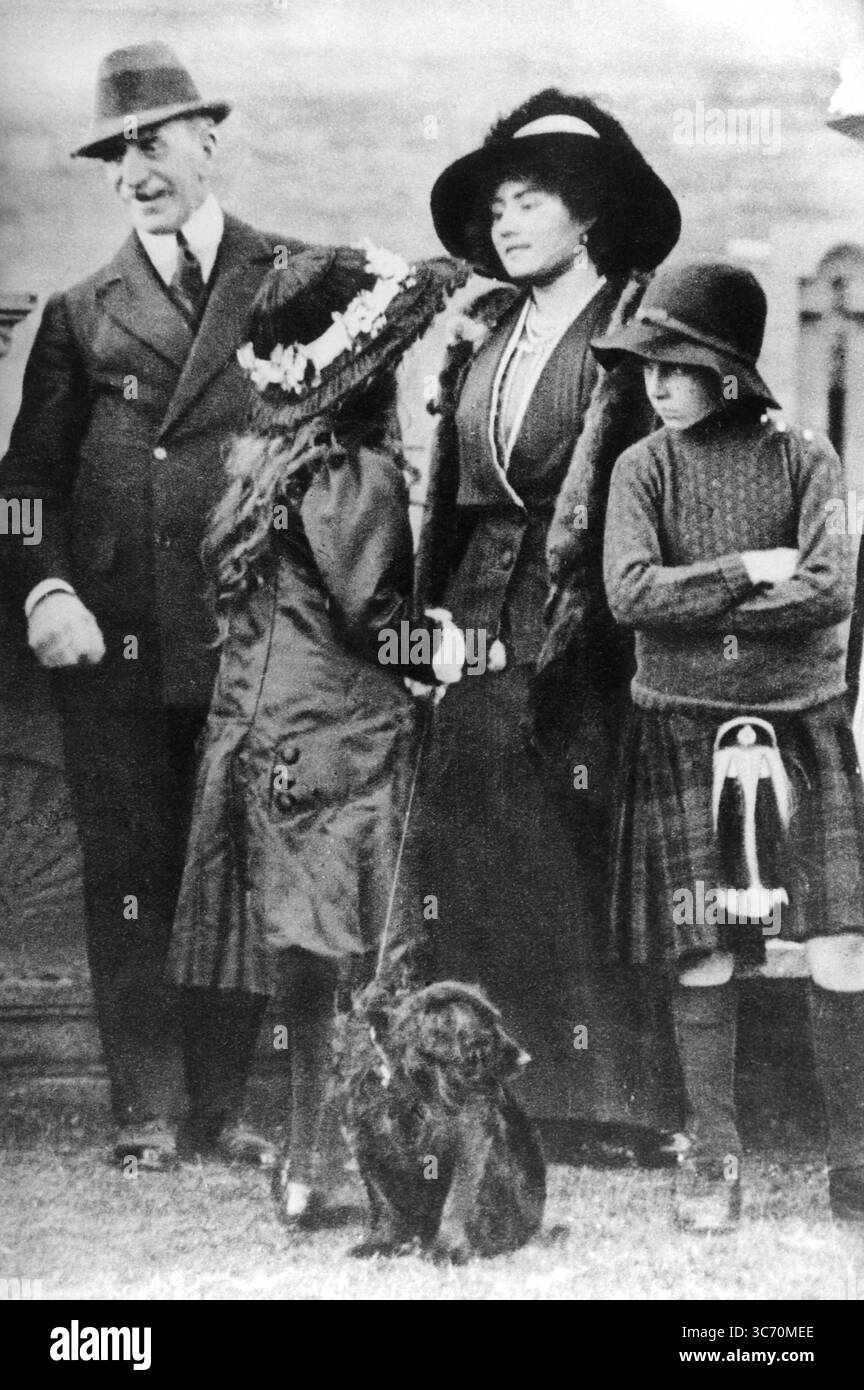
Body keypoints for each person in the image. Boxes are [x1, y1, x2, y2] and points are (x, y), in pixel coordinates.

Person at [0, 42, 306, 1169]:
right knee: (129, 876)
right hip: (115, 648)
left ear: (205, 141)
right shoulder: (82, 314)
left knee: (231, 867)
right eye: (112, 152)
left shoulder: (292, 280)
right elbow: (24, 484)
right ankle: (144, 1107)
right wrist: (45, 591)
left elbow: (350, 452)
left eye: (150, 141)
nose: (131, 168)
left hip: (252, 639)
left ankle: (222, 1109)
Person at [401, 89, 683, 1145]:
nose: (508, 221)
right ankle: (486, 1089)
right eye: (500, 206)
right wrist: (431, 618)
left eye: (533, 201)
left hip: (590, 621)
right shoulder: (485, 341)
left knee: (574, 841)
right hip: (477, 616)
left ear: (589, 215)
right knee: (473, 843)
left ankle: (607, 1101)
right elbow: (449, 499)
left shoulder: (636, 332)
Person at [167, 243, 467, 1224]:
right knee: (348, 952)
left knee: (304, 950)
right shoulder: (353, 471)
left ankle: (307, 1166)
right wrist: (453, 646)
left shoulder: (265, 460)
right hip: (336, 726)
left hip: (260, 725)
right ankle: (329, 1163)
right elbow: (375, 618)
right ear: (370, 366)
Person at [598, 258, 864, 1230]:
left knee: (842, 945)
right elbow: (629, 593)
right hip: (680, 727)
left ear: (729, 370)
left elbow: (832, 588)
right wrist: (749, 570)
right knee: (701, 946)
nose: (656, 383)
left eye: (675, 364)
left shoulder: (805, 456)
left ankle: (856, 1163)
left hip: (803, 725)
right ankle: (712, 1156)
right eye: (646, 366)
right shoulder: (643, 467)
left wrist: (699, 607)